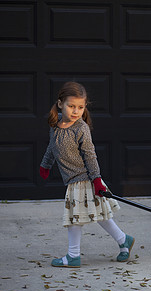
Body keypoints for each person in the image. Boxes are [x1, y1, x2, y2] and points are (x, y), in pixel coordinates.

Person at [39, 81, 134, 268]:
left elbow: (90, 156)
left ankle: (73, 255)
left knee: (75, 218)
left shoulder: (80, 128)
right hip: (75, 181)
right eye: (71, 106)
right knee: (100, 215)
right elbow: (52, 147)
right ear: (60, 104)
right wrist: (45, 164)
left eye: (80, 107)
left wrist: (97, 180)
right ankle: (124, 240)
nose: (76, 111)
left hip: (85, 179)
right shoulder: (55, 124)